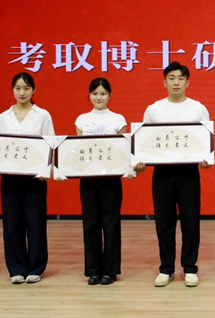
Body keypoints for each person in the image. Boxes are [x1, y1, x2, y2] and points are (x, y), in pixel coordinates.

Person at [134, 62, 211, 288]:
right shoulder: (154, 109)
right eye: (171, 78)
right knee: (164, 223)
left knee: (190, 222)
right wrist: (140, 160)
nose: (176, 82)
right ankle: (166, 269)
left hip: (189, 173)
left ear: (188, 82)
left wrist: (206, 160)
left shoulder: (198, 108)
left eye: (180, 78)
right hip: (162, 172)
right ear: (164, 82)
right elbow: (145, 142)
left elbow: (205, 142)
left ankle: (190, 268)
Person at [0, 72, 55, 284]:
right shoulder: (3, 117)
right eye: (18, 88)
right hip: (10, 177)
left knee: (35, 224)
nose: (22, 92)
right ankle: (16, 268)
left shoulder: (42, 115)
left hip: (35, 177)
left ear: (33, 90)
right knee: (12, 224)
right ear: (12, 90)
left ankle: (36, 268)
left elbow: (50, 144)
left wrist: (46, 170)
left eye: (26, 88)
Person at [75, 77, 127, 286]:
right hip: (88, 178)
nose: (99, 97)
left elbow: (122, 152)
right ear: (89, 95)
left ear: (109, 96)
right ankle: (93, 270)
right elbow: (79, 150)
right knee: (91, 224)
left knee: (111, 223)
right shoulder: (81, 120)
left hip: (111, 179)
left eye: (103, 93)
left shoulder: (118, 119)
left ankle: (110, 270)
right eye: (95, 93)